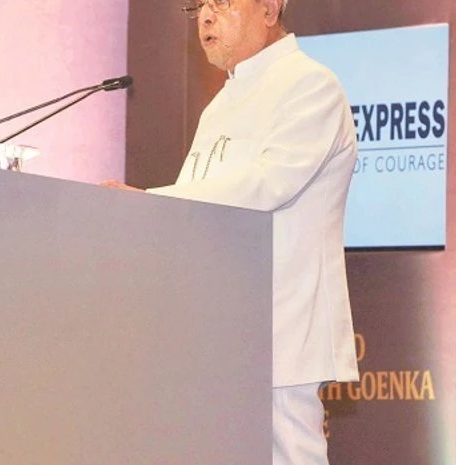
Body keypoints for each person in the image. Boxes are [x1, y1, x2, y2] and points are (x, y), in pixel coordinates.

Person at [105, 0, 359, 463]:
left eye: (219, 2)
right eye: (197, 5)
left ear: (269, 7)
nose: (205, 16)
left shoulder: (310, 86)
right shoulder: (219, 106)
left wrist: (153, 199)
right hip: (215, 331)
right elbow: (194, 215)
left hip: (280, 326)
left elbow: (269, 183)